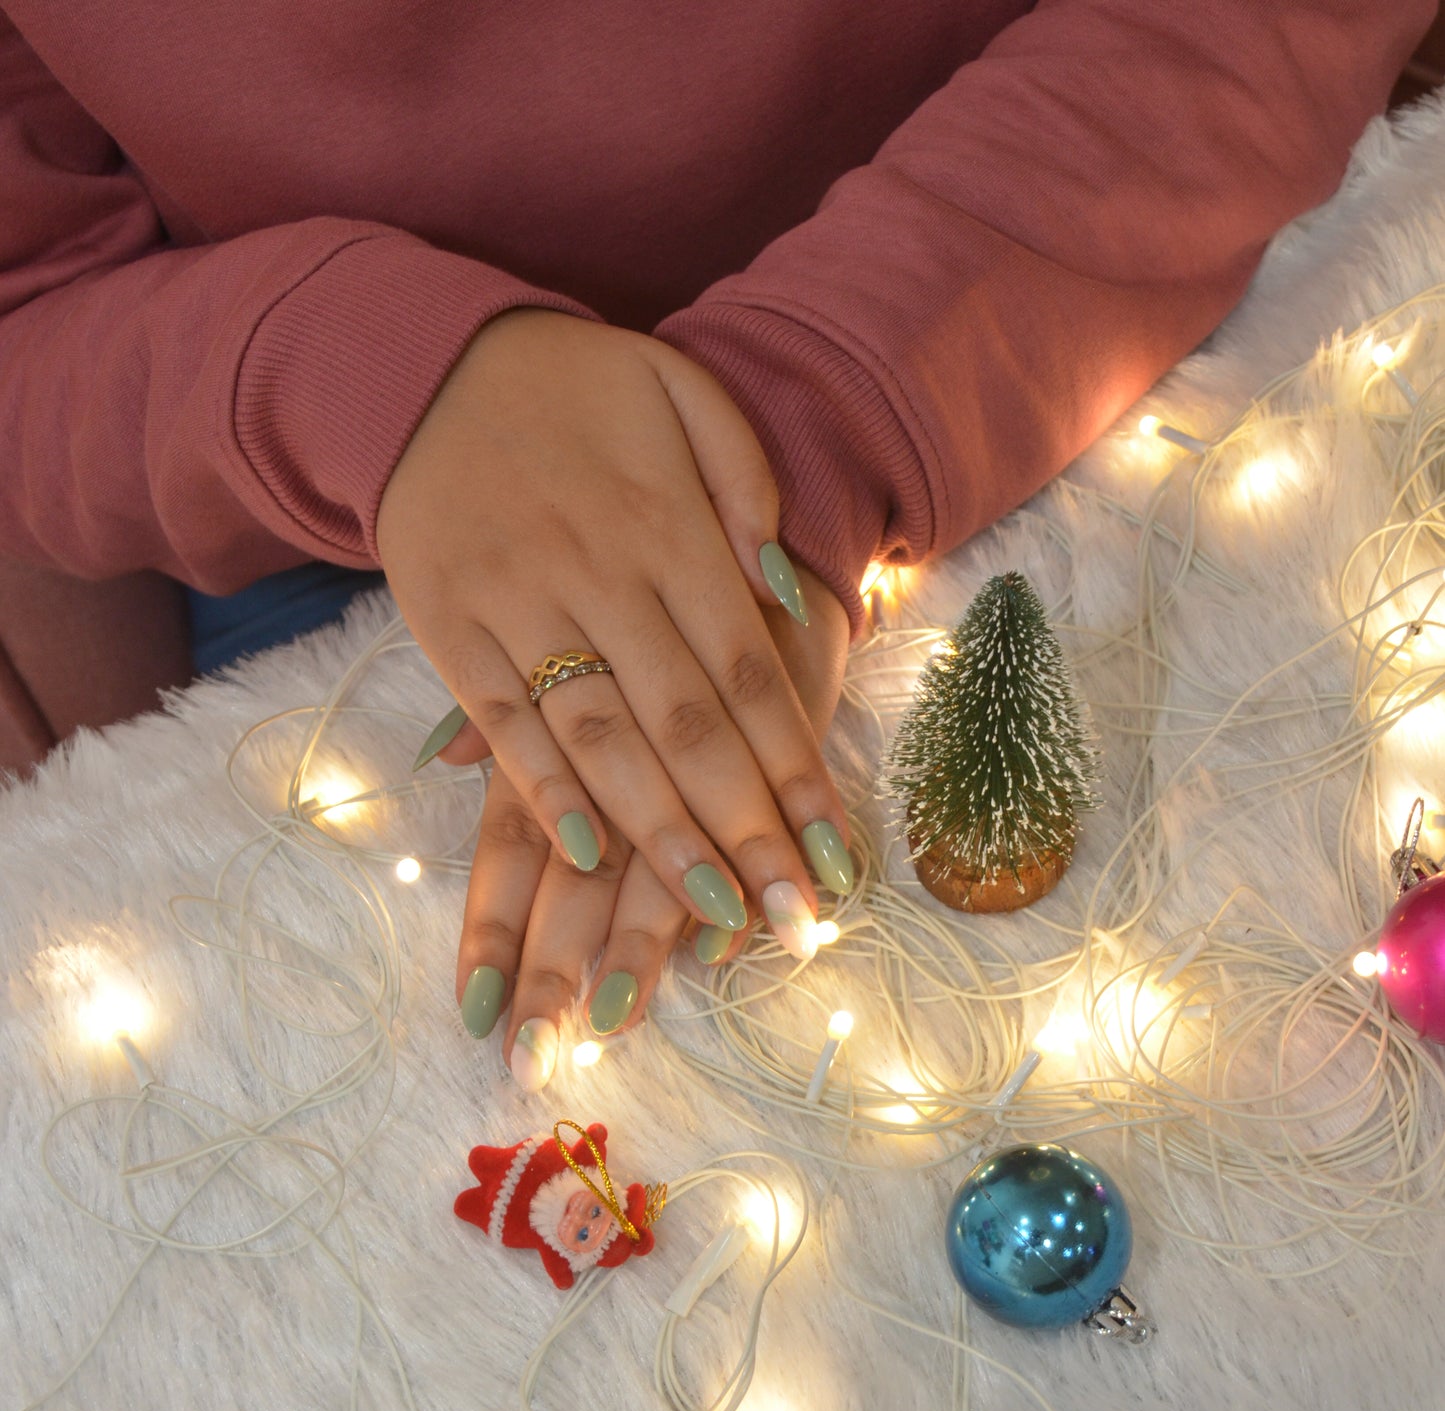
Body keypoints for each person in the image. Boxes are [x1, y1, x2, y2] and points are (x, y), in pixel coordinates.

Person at [0, 3, 1431, 1091]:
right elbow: (32, 303)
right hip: (297, 517)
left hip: (1070, 291)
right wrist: (359, 374)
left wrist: (793, 428)